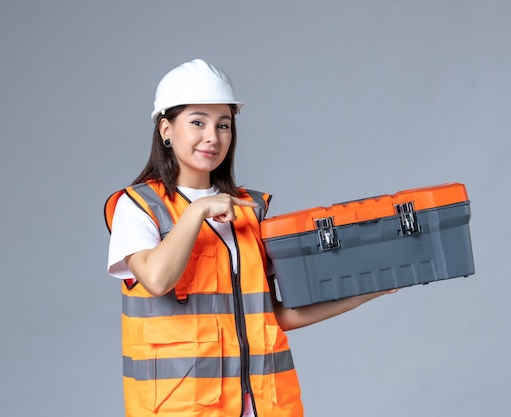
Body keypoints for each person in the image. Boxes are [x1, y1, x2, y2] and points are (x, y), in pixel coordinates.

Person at [104, 58, 395, 417]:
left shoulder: (249, 210)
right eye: (198, 122)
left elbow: (276, 315)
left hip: (262, 404)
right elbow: (157, 278)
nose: (213, 137)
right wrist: (197, 211)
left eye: (223, 125)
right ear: (166, 129)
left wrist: (366, 293)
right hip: (183, 408)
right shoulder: (137, 207)